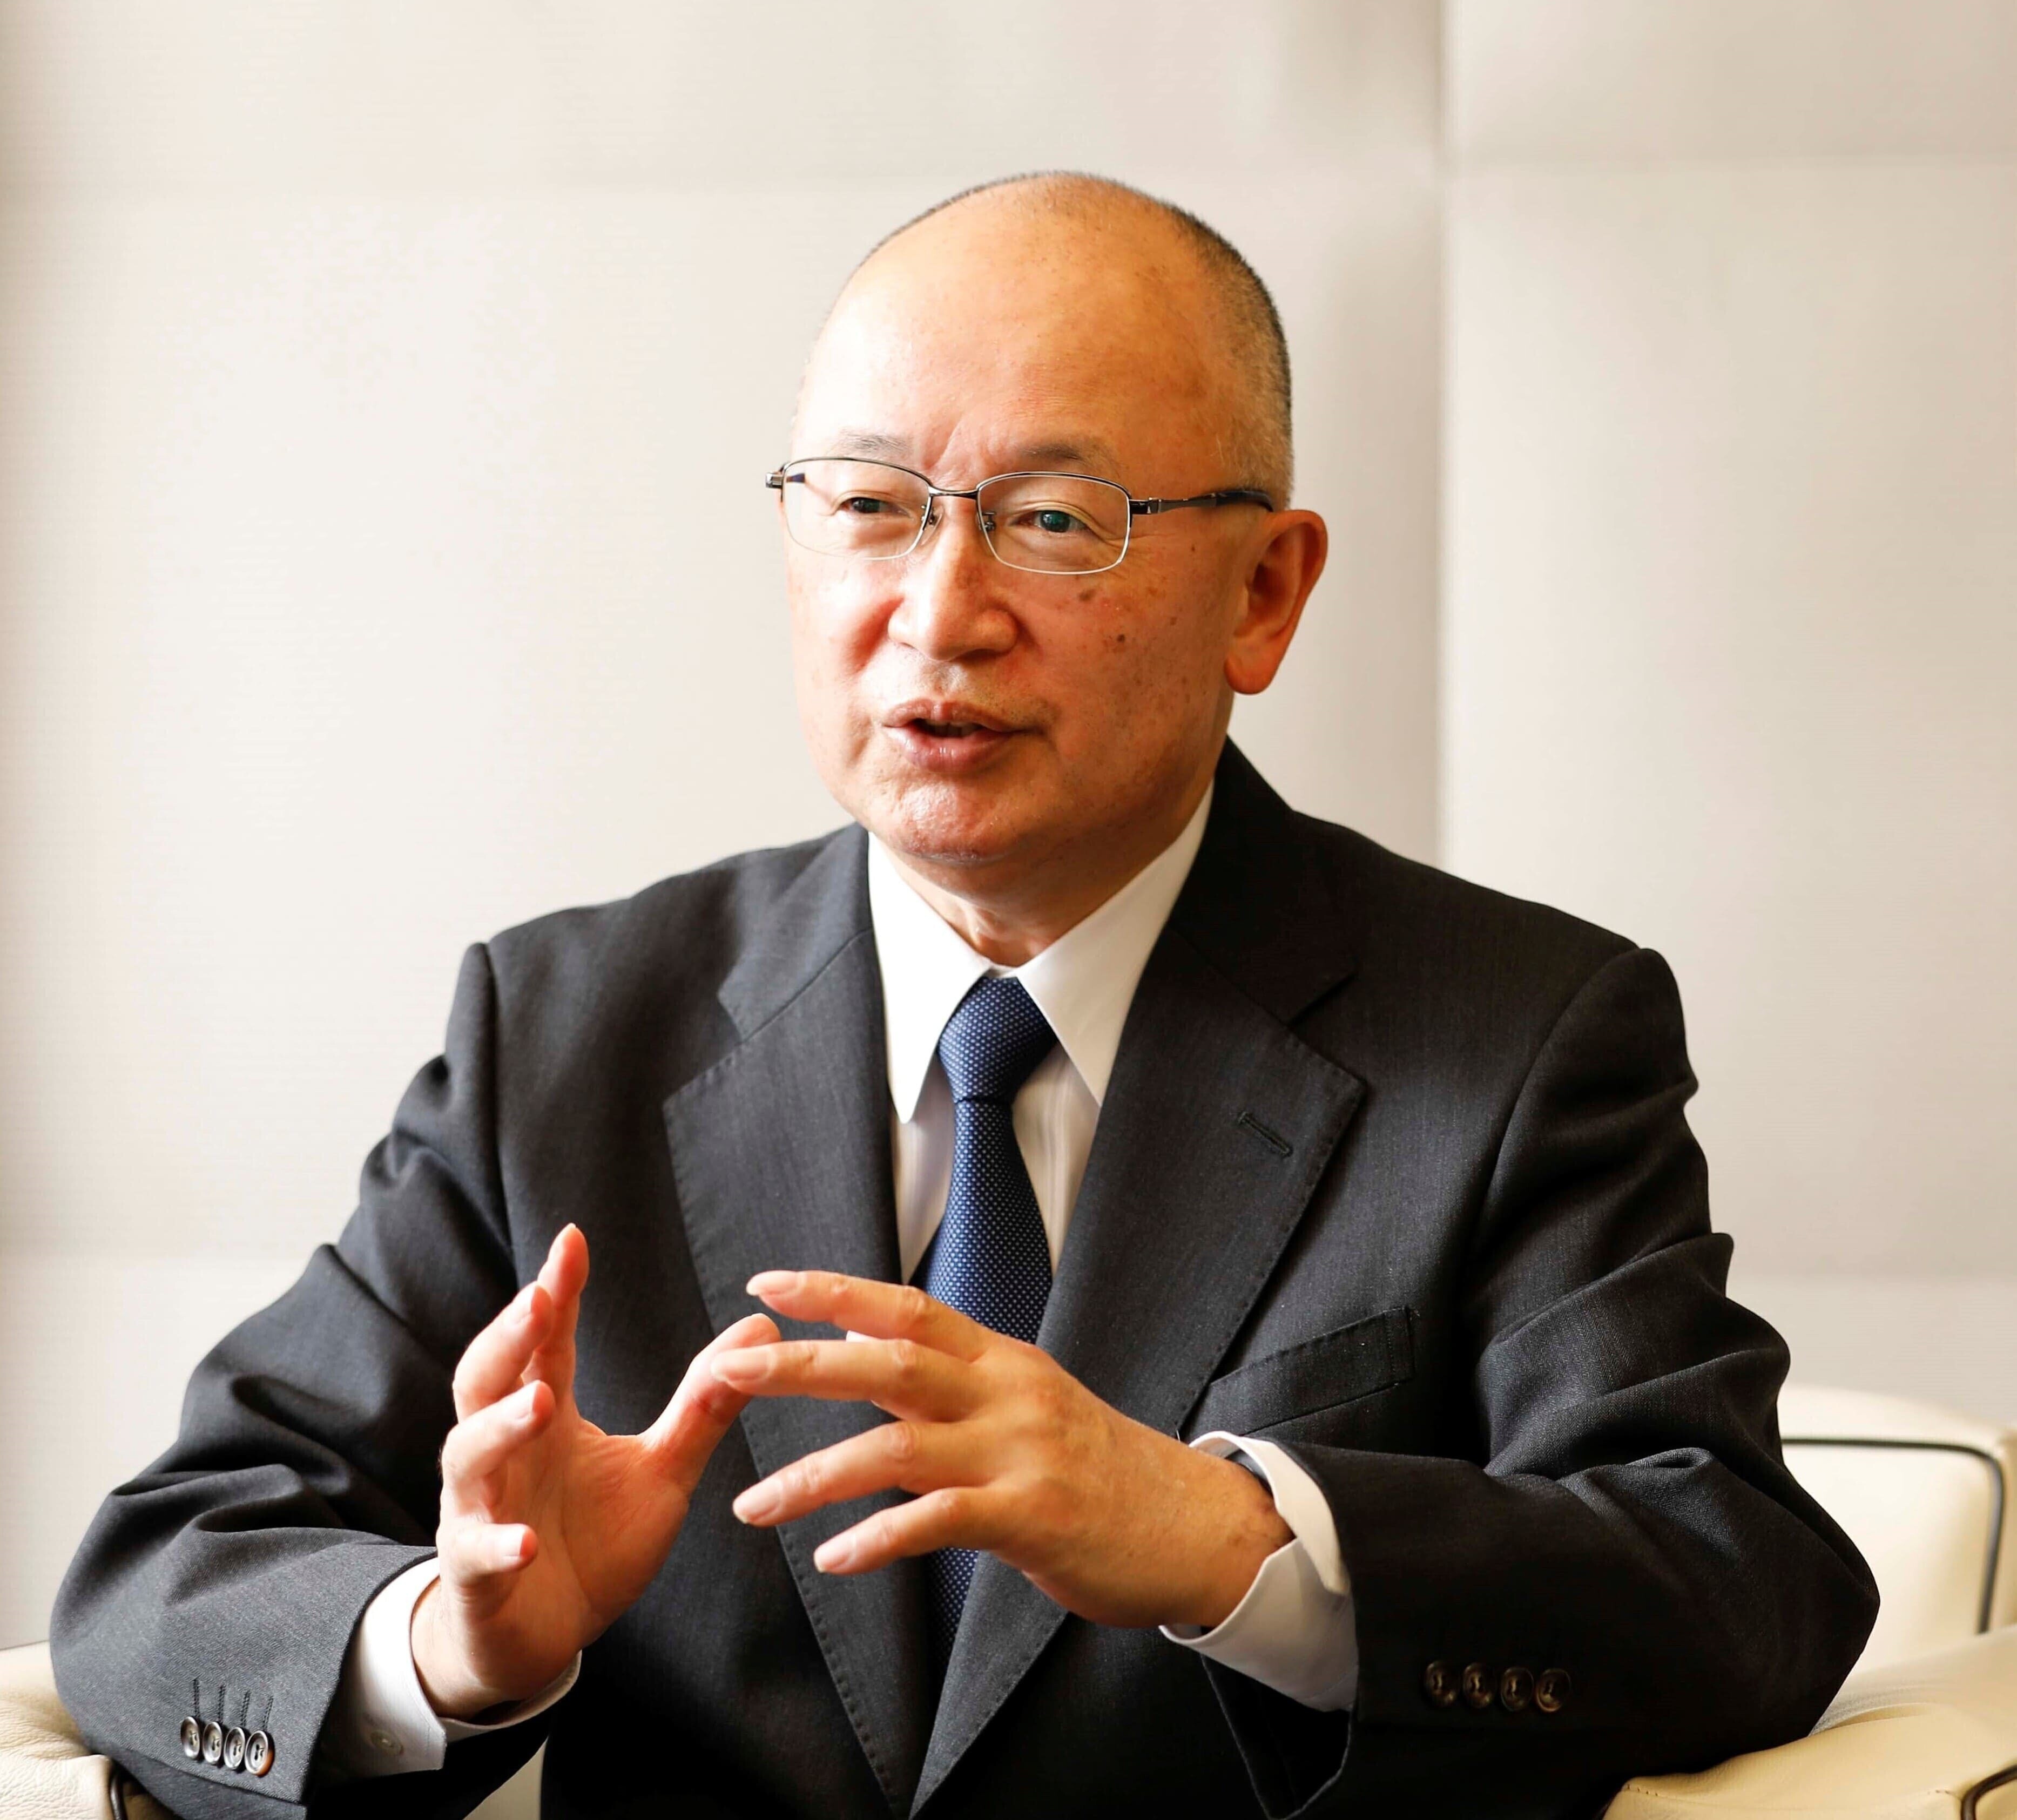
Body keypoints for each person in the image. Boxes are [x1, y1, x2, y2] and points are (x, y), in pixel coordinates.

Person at [51, 174, 1876, 1820]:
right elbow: (161, 1580)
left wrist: (1222, 1537)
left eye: (1055, 519)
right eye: (869, 506)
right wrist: (460, 1642)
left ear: (1265, 591)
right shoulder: (567, 1027)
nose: (940, 610)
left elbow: (1736, 1579)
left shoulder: (1521, 1036)